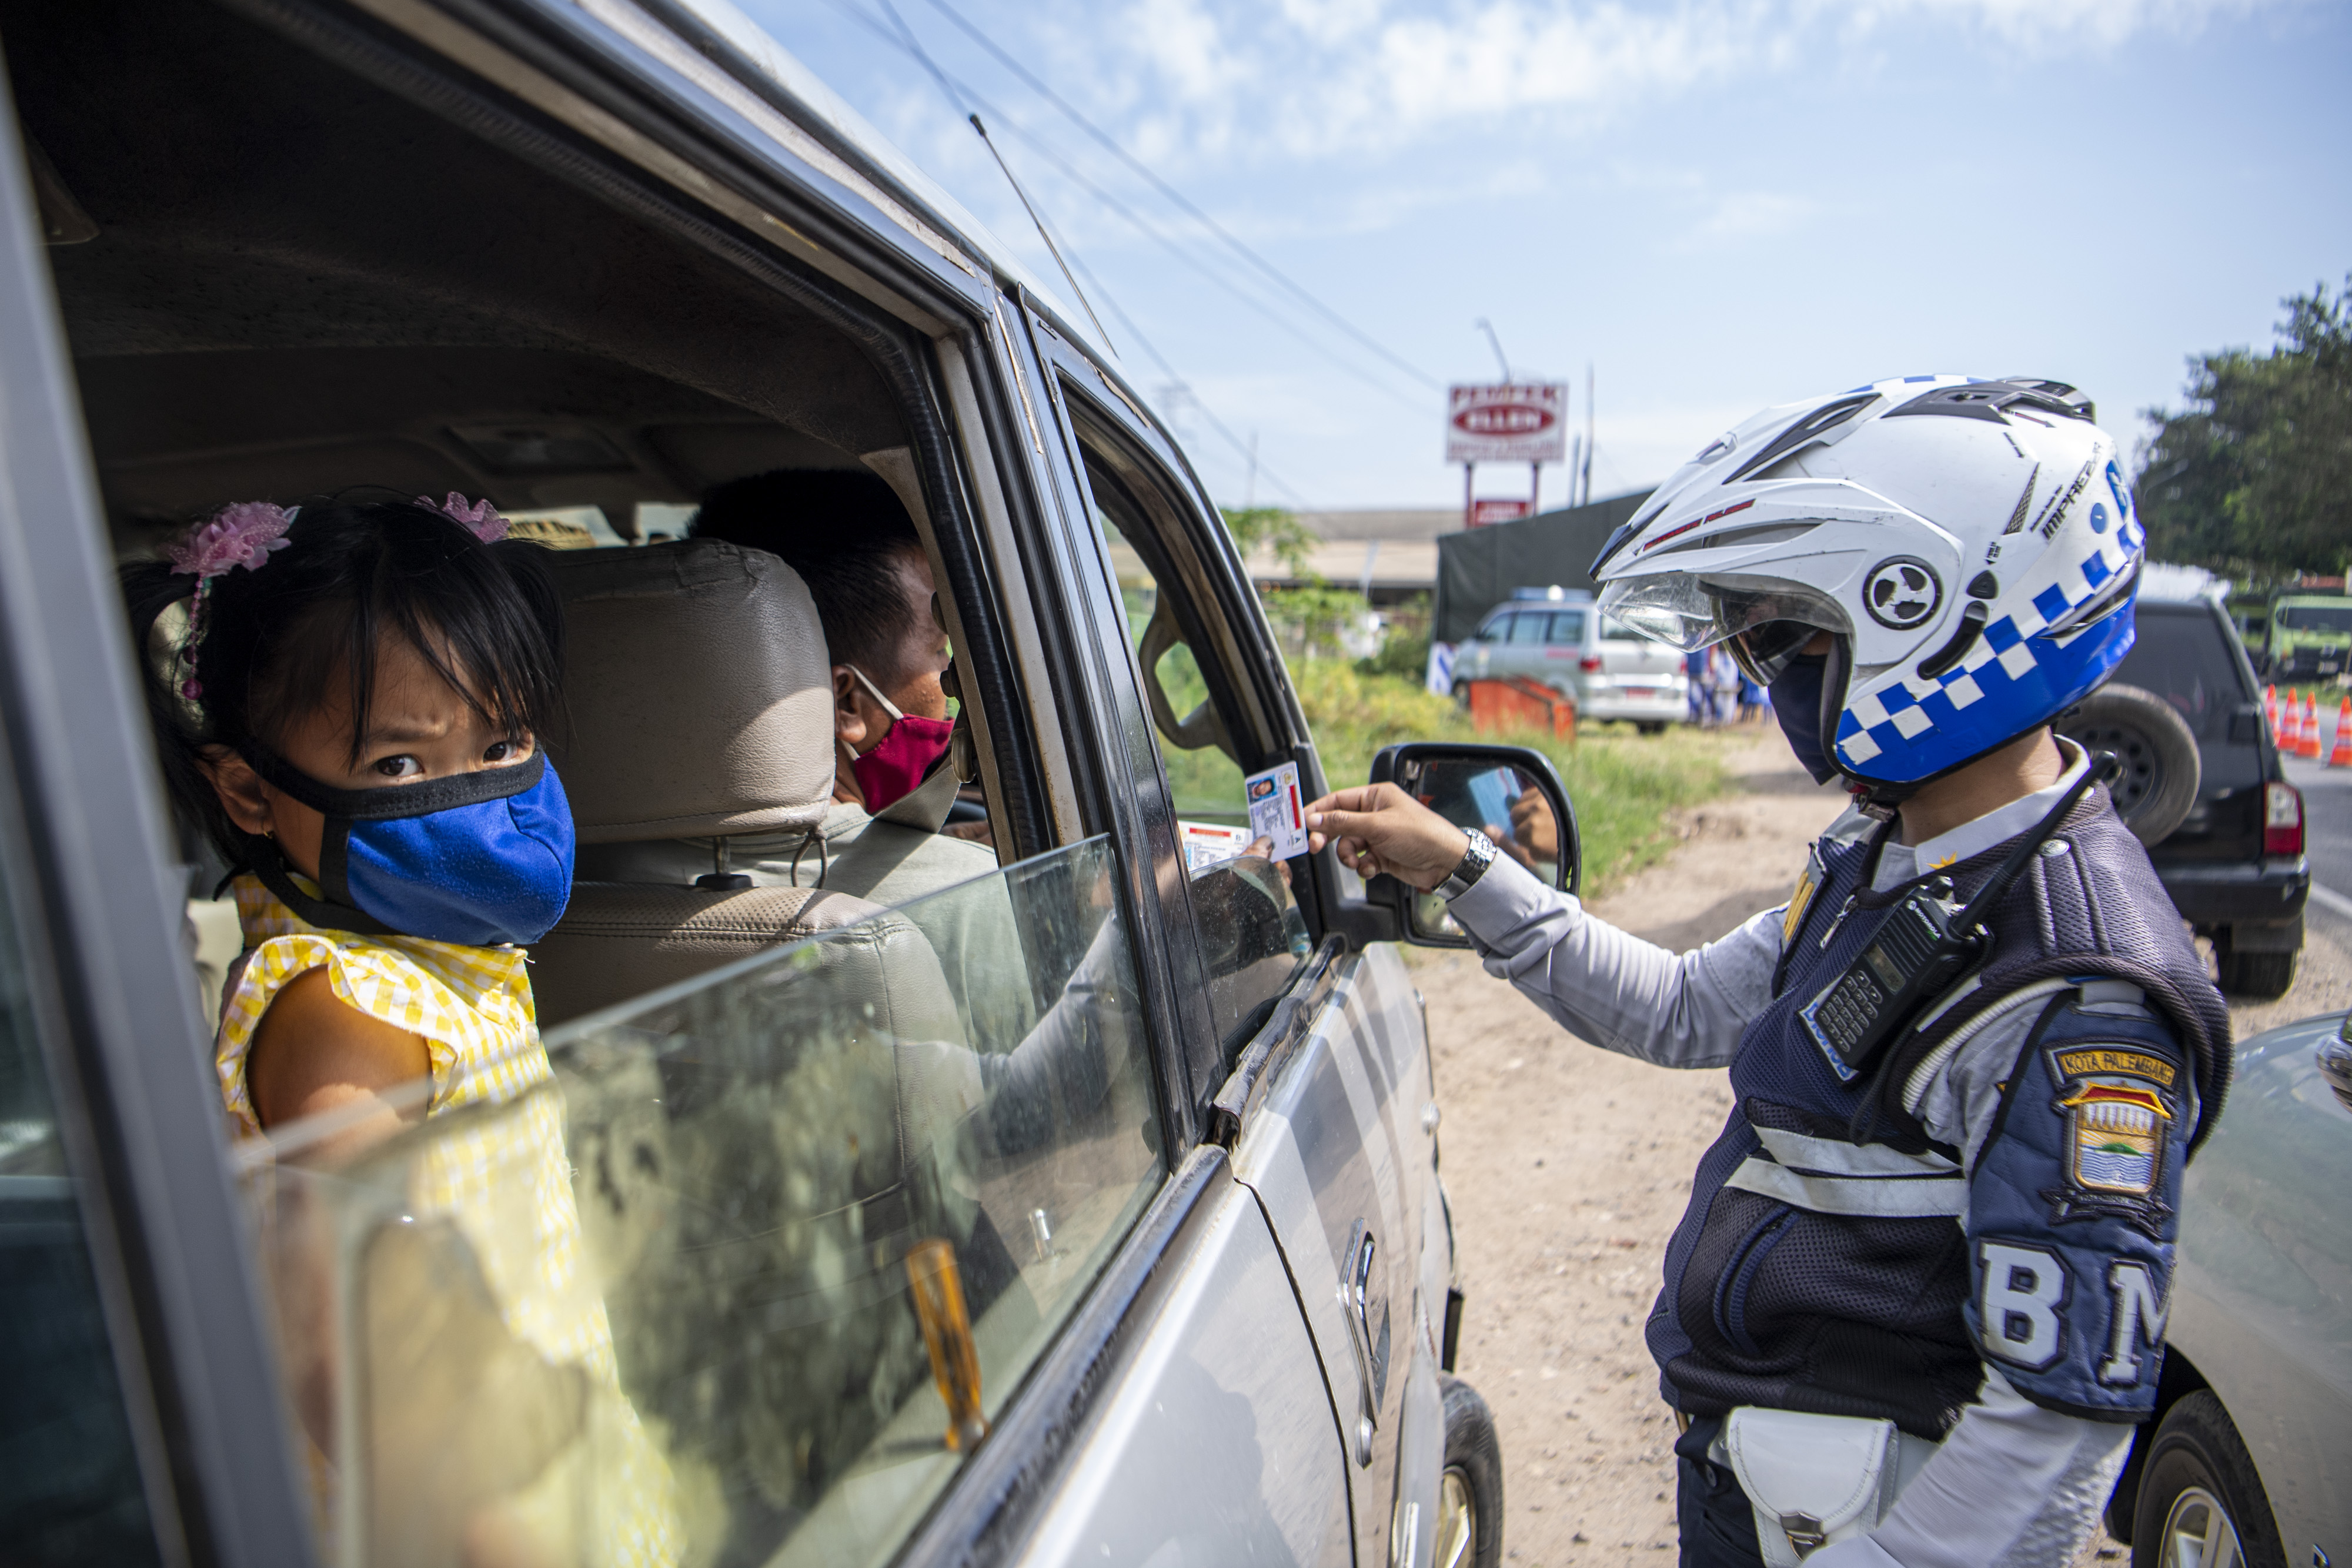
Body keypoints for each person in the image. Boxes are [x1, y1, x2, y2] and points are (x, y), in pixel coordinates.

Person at [1304, 377, 2229, 1568]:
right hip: (1765, 1488)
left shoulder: (2075, 986)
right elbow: (1682, 1006)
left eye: (1779, 637)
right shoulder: (1888, 855)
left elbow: (2056, 1423)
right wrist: (1465, 864)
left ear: (1925, 612)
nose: (1757, 675)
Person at [124, 491, 679, 1567]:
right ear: (247, 790)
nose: (480, 798)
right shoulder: (345, 1008)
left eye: (506, 739)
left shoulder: (438, 963)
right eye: (400, 767)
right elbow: (354, 1349)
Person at [679, 470, 1023, 1035]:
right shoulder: (966, 897)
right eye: (942, 655)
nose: (957, 685)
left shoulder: (570, 887)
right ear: (846, 702)